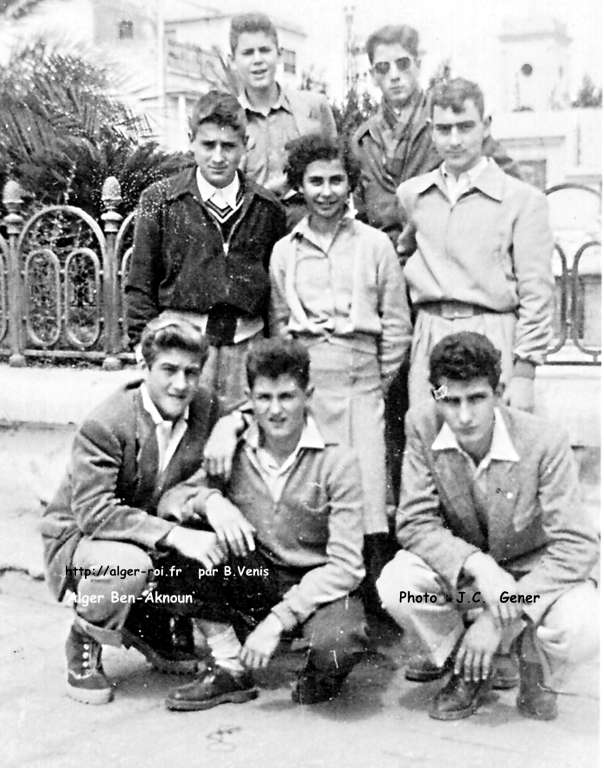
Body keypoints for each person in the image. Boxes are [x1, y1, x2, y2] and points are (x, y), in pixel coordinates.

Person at [377, 332, 599, 722]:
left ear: (498, 392)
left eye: (477, 398)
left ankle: (534, 665)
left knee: (585, 622)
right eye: (451, 400)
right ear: (435, 395)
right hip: (473, 584)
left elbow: (578, 546)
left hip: (533, 580)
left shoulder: (543, 441)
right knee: (398, 586)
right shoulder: (422, 426)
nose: (464, 416)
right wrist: (480, 566)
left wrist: (499, 618)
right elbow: (414, 521)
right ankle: (469, 667)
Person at [160, 337, 368, 710]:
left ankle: (318, 673)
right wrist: (211, 500)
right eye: (264, 398)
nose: (275, 411)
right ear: (249, 398)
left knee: (340, 643)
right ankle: (229, 666)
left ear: (309, 394)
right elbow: (170, 501)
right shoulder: (232, 449)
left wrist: (277, 621)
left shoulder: (340, 461)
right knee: (184, 551)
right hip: (257, 574)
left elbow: (347, 566)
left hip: (314, 581)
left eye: (287, 397)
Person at [41, 315, 235, 704]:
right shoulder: (106, 423)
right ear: (143, 366)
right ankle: (84, 636)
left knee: (215, 534)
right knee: (131, 566)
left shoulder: (204, 406)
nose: (181, 384)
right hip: (83, 540)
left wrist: (232, 426)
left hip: (142, 532)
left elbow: (250, 412)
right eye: (168, 370)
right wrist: (176, 534)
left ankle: (149, 624)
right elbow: (94, 512)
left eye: (191, 372)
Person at [267, 134, 412, 608]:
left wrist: (370, 380)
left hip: (362, 388)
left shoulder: (374, 247)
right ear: (299, 187)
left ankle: (373, 601)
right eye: (315, 181)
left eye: (336, 180)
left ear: (350, 184)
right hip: (310, 392)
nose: (326, 191)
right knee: (315, 488)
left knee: (369, 491)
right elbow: (280, 330)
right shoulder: (286, 252)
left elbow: (396, 327)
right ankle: (321, 599)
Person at [396, 77, 554, 410]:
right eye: (444, 129)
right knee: (433, 428)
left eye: (465, 127)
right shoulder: (415, 195)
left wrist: (524, 372)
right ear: (431, 130)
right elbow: (406, 254)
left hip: (492, 338)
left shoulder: (522, 201)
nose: (454, 140)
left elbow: (536, 292)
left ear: (486, 126)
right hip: (432, 339)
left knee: (491, 435)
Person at [125, 90, 286, 409]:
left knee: (239, 442)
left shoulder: (267, 208)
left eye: (228, 146)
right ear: (191, 140)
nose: (218, 157)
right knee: (180, 442)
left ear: (246, 144)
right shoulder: (159, 200)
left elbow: (274, 295)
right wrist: (144, 348)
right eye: (208, 144)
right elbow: (140, 282)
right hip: (181, 348)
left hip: (246, 348)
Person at [351, 24, 521, 244]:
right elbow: (361, 215)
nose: (394, 76)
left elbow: (513, 186)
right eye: (383, 68)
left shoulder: (449, 121)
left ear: (418, 65)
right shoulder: (363, 140)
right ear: (373, 75)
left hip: (443, 259)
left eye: (403, 64)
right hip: (387, 263)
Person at [230, 12, 337, 222]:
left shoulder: (314, 107)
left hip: (309, 225)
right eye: (248, 53)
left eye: (264, 50)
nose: (258, 60)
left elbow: (336, 170)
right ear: (233, 60)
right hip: (253, 227)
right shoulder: (228, 120)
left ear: (279, 54)